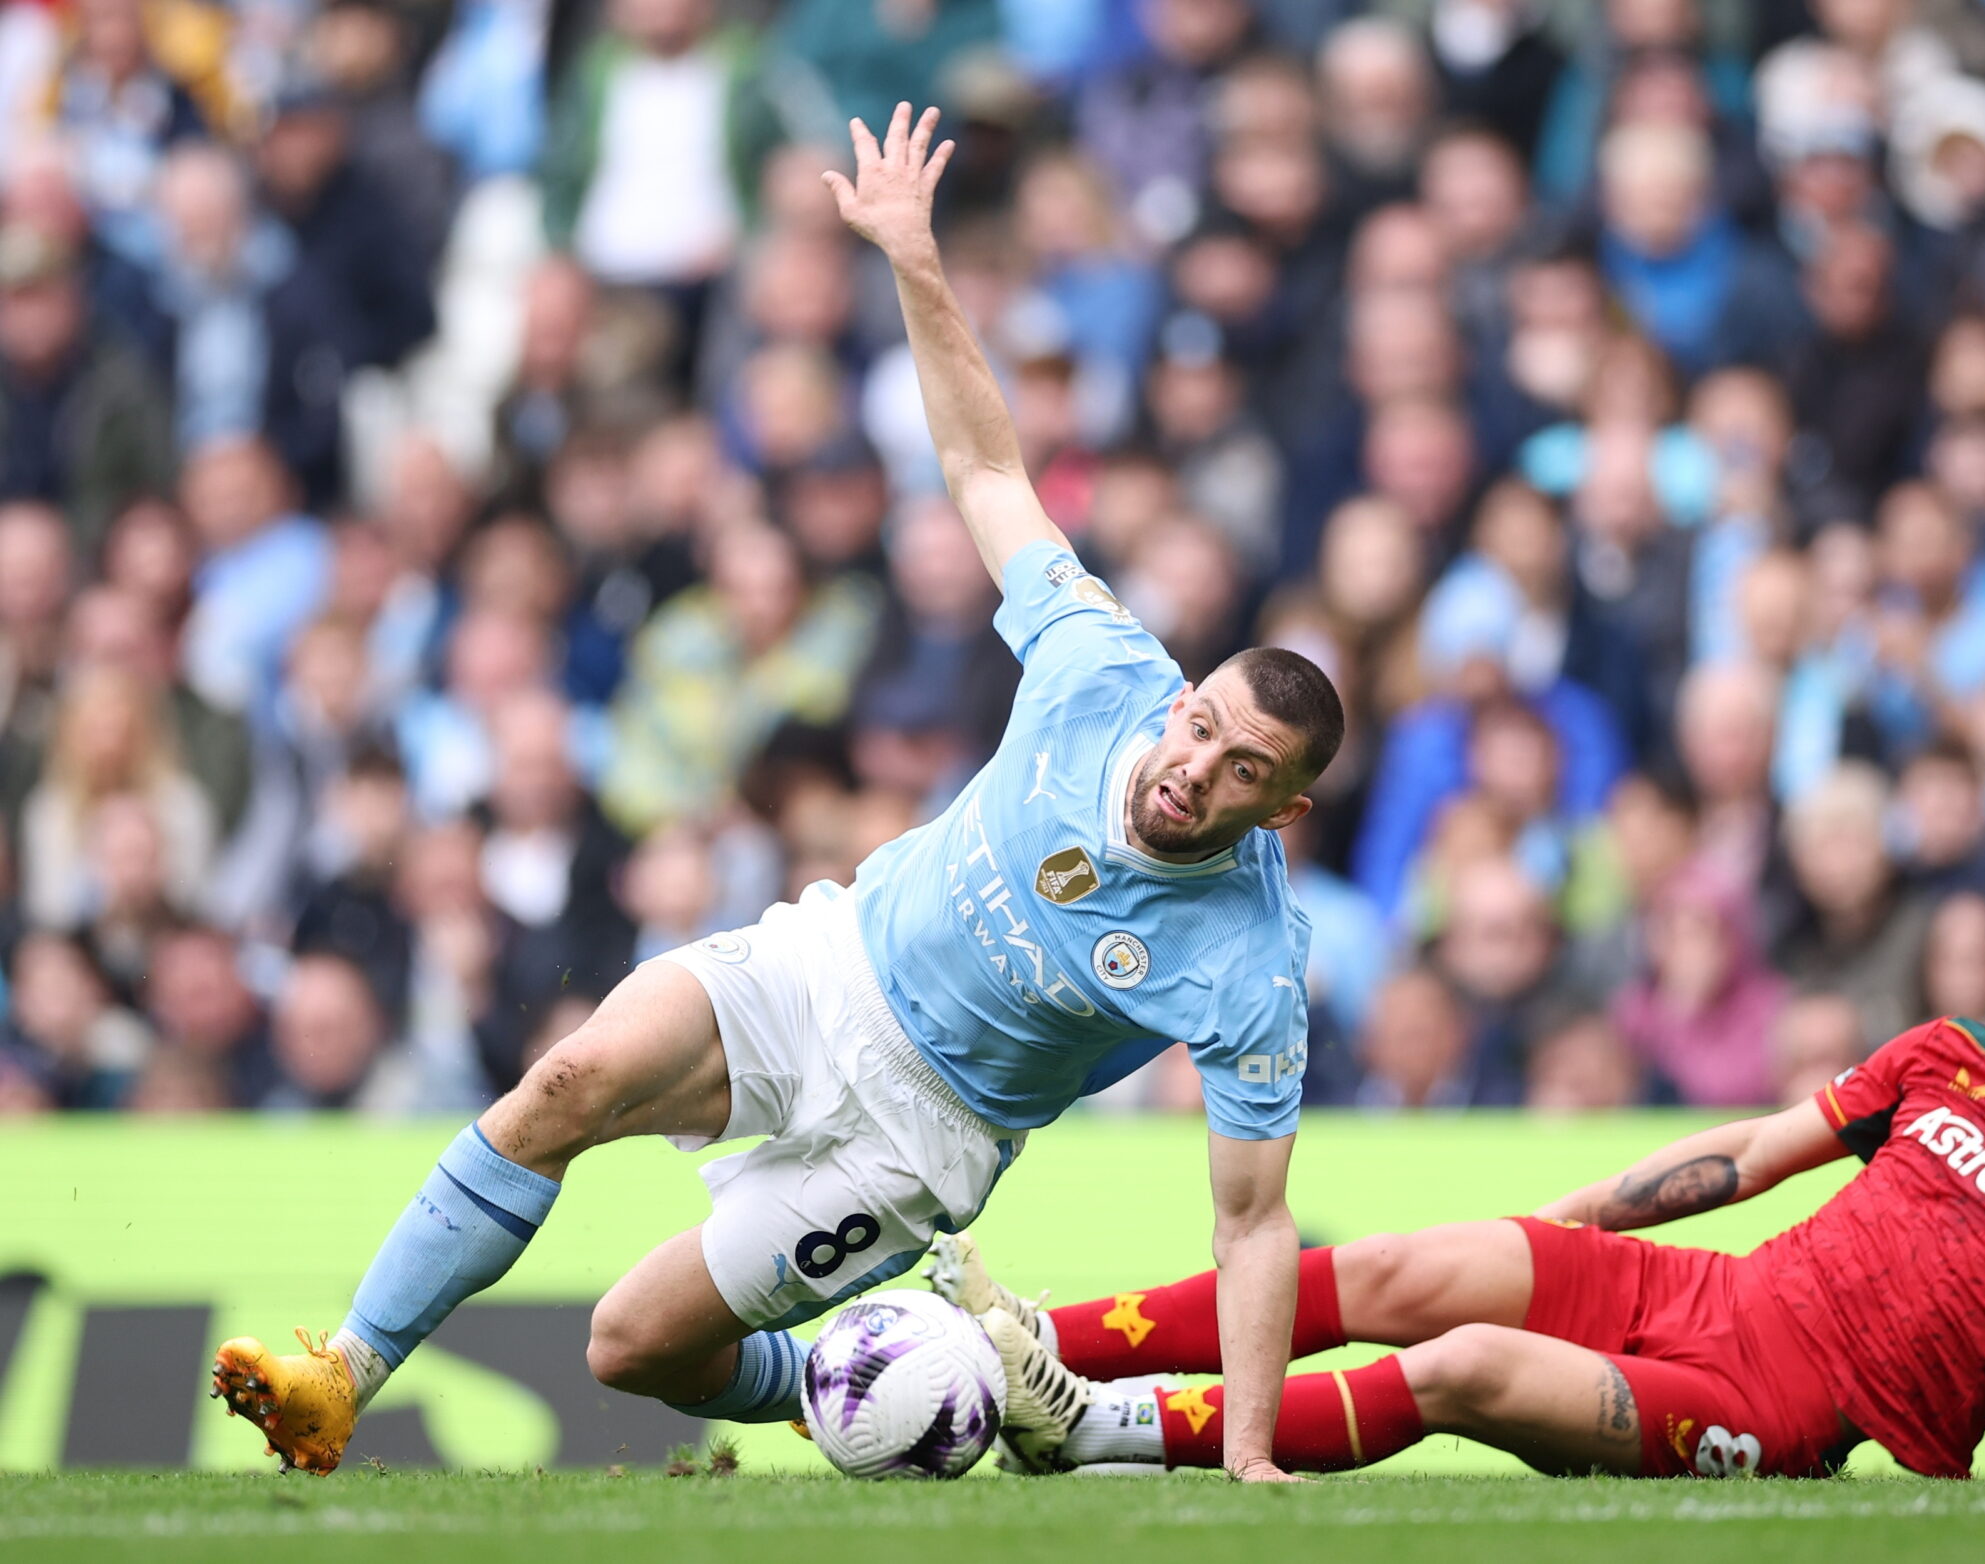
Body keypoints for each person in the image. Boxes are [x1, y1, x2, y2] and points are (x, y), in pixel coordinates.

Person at [209, 106, 1342, 1487]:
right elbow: (988, 468)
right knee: (566, 1079)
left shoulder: (1246, 960)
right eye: (1205, 726)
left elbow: (1254, 1222)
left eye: (1242, 773)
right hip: (829, 961)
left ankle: (903, 1388)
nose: (1196, 768)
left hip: (922, 1137)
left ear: (1278, 813)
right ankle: (343, 1374)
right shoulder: (1102, 666)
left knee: (631, 1348)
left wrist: (1252, 1456)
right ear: (1182, 699)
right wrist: (915, 258)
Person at [940, 850, 1985, 1487]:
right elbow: (1752, 1154)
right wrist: (1566, 1220)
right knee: (1399, 1269)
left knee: (1464, 1369)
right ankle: (1008, 1348)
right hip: (1708, 1291)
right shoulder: (1947, 1053)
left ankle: (1100, 1429)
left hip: (1787, 1405)